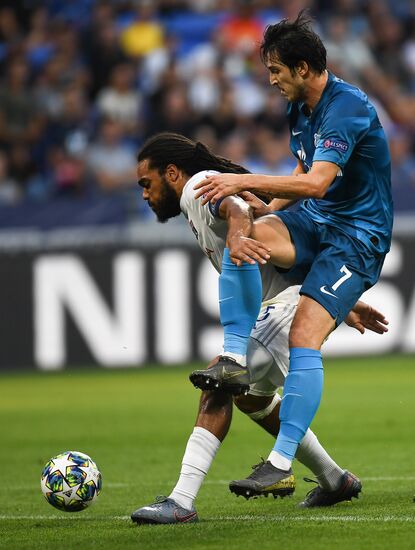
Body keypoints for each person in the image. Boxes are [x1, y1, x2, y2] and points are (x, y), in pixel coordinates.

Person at [130, 133, 388, 524]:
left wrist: (236, 232)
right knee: (251, 399)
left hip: (285, 308)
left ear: (172, 173)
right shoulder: (195, 202)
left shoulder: (197, 186)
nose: (145, 195)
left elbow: (238, 210)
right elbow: (276, 254)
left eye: (146, 184)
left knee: (221, 379)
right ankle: (335, 480)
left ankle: (181, 501)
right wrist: (343, 302)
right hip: (290, 298)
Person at [190, 11, 393, 496]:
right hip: (318, 223)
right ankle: (234, 356)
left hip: (356, 237)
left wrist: (242, 179)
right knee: (247, 236)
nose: (272, 80)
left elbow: (318, 182)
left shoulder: (346, 107)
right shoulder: (301, 109)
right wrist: (268, 205)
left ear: (304, 68)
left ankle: (280, 461)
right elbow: (304, 168)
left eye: (277, 70)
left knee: (304, 333)